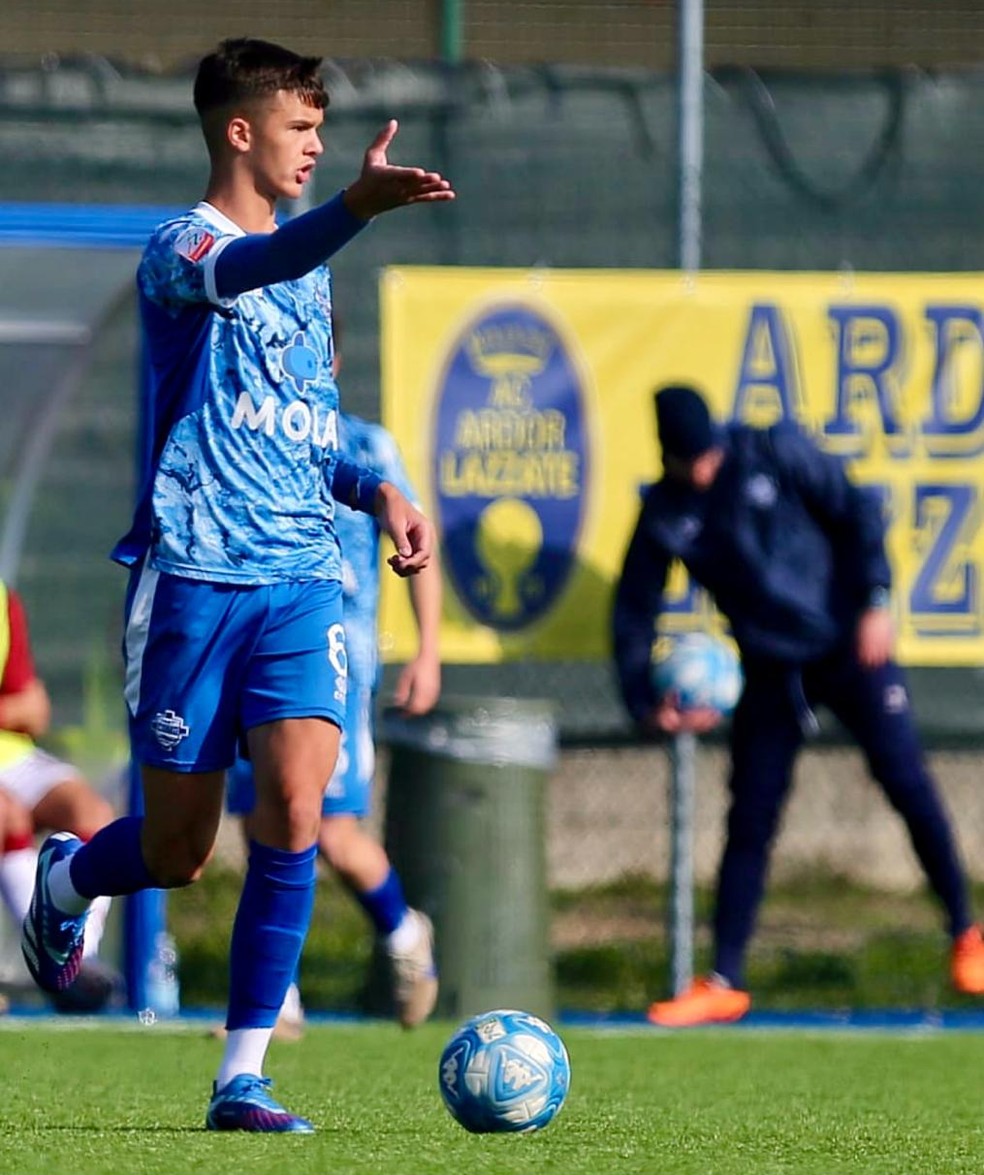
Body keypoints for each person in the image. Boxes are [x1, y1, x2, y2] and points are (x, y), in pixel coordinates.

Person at [20, 36, 453, 1133]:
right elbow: (250, 268)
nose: (317, 146)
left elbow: (302, 436)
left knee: (300, 807)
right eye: (302, 129)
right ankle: (68, 880)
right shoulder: (181, 249)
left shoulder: (313, 277)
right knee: (179, 849)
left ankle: (243, 1074)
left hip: (301, 579)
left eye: (323, 131)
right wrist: (353, 207)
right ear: (240, 130)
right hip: (196, 583)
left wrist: (381, 492)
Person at [612, 384, 984, 1028]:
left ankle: (967, 936)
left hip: (849, 647)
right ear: (667, 457)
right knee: (750, 818)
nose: (700, 469)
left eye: (705, 456)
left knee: (907, 783)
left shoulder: (773, 451)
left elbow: (857, 510)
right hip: (771, 670)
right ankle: (725, 980)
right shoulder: (668, 512)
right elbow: (634, 608)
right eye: (686, 461)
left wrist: (875, 599)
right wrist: (646, 702)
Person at [226, 394, 443, 1037]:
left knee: (331, 831)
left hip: (337, 656)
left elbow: (414, 532)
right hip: (256, 646)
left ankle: (404, 933)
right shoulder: (247, 426)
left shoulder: (364, 445)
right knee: (261, 819)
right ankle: (277, 1000)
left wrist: (428, 651)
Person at [0, 581, 117, 1012]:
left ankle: (77, 961)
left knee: (91, 813)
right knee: (5, 815)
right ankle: (59, 967)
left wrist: (16, 711)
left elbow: (34, 709)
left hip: (11, 754)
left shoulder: (2, 599)